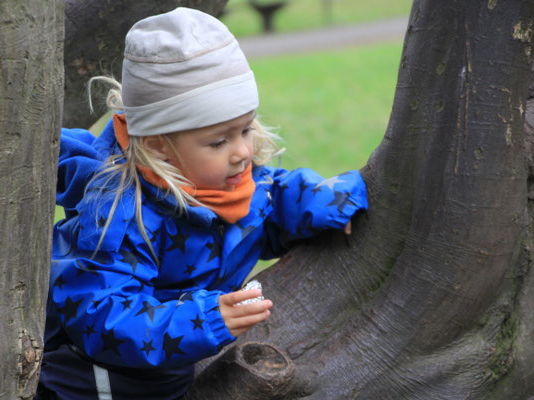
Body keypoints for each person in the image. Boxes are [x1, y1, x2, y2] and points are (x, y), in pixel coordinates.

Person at [36, 7, 368, 400]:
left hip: (170, 375)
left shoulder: (227, 183)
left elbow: (272, 199)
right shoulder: (121, 213)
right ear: (159, 144)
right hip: (97, 384)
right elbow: (101, 315)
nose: (243, 152)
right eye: (219, 141)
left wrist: (329, 201)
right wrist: (205, 319)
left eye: (246, 129)